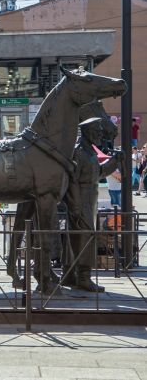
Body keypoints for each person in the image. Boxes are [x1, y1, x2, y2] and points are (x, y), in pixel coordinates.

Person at [63, 117, 122, 292]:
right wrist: (75, 204)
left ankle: (70, 275)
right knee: (85, 237)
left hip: (89, 198)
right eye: (97, 131)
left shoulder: (90, 151)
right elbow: (72, 180)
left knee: (81, 236)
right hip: (81, 199)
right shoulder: (79, 152)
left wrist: (114, 161)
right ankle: (83, 277)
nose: (100, 134)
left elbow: (99, 173)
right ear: (88, 132)